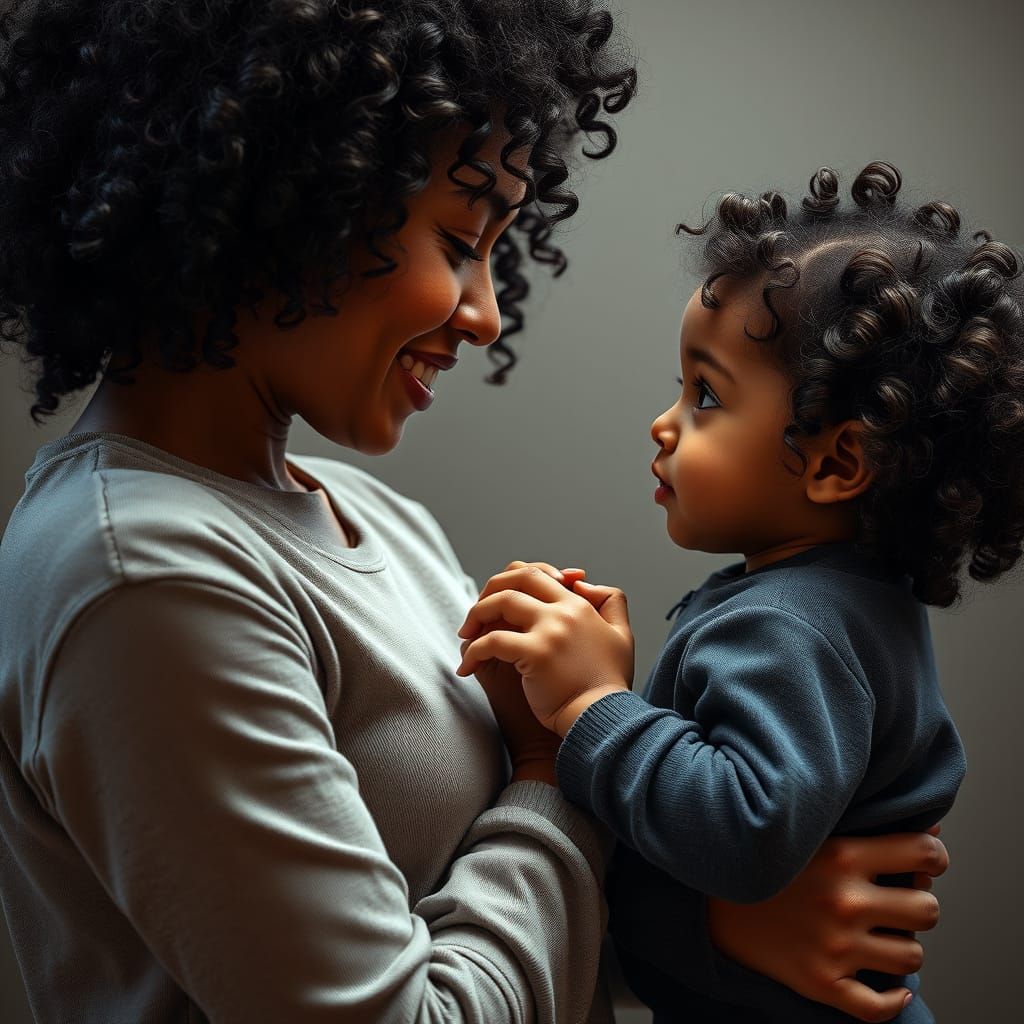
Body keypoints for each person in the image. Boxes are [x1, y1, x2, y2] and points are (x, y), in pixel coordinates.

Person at [0, 2, 949, 1020]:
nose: (488, 314)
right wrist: (546, 764)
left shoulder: (373, 517)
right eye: (459, 239)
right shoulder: (145, 577)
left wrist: (709, 932)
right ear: (290, 193)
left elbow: (507, 937)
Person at [456, 160, 1024, 1022]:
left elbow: (747, 833)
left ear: (836, 461)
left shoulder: (793, 628)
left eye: (707, 396)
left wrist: (591, 702)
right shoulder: (838, 606)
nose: (665, 423)